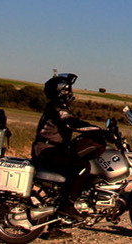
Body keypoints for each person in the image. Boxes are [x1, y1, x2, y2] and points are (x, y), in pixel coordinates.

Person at [32, 73, 102, 220]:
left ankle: (56, 225)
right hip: (46, 150)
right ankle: (67, 206)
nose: (70, 93)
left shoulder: (58, 106)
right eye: (68, 90)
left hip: (51, 149)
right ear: (62, 91)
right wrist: (96, 129)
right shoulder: (58, 107)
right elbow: (71, 123)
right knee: (82, 167)